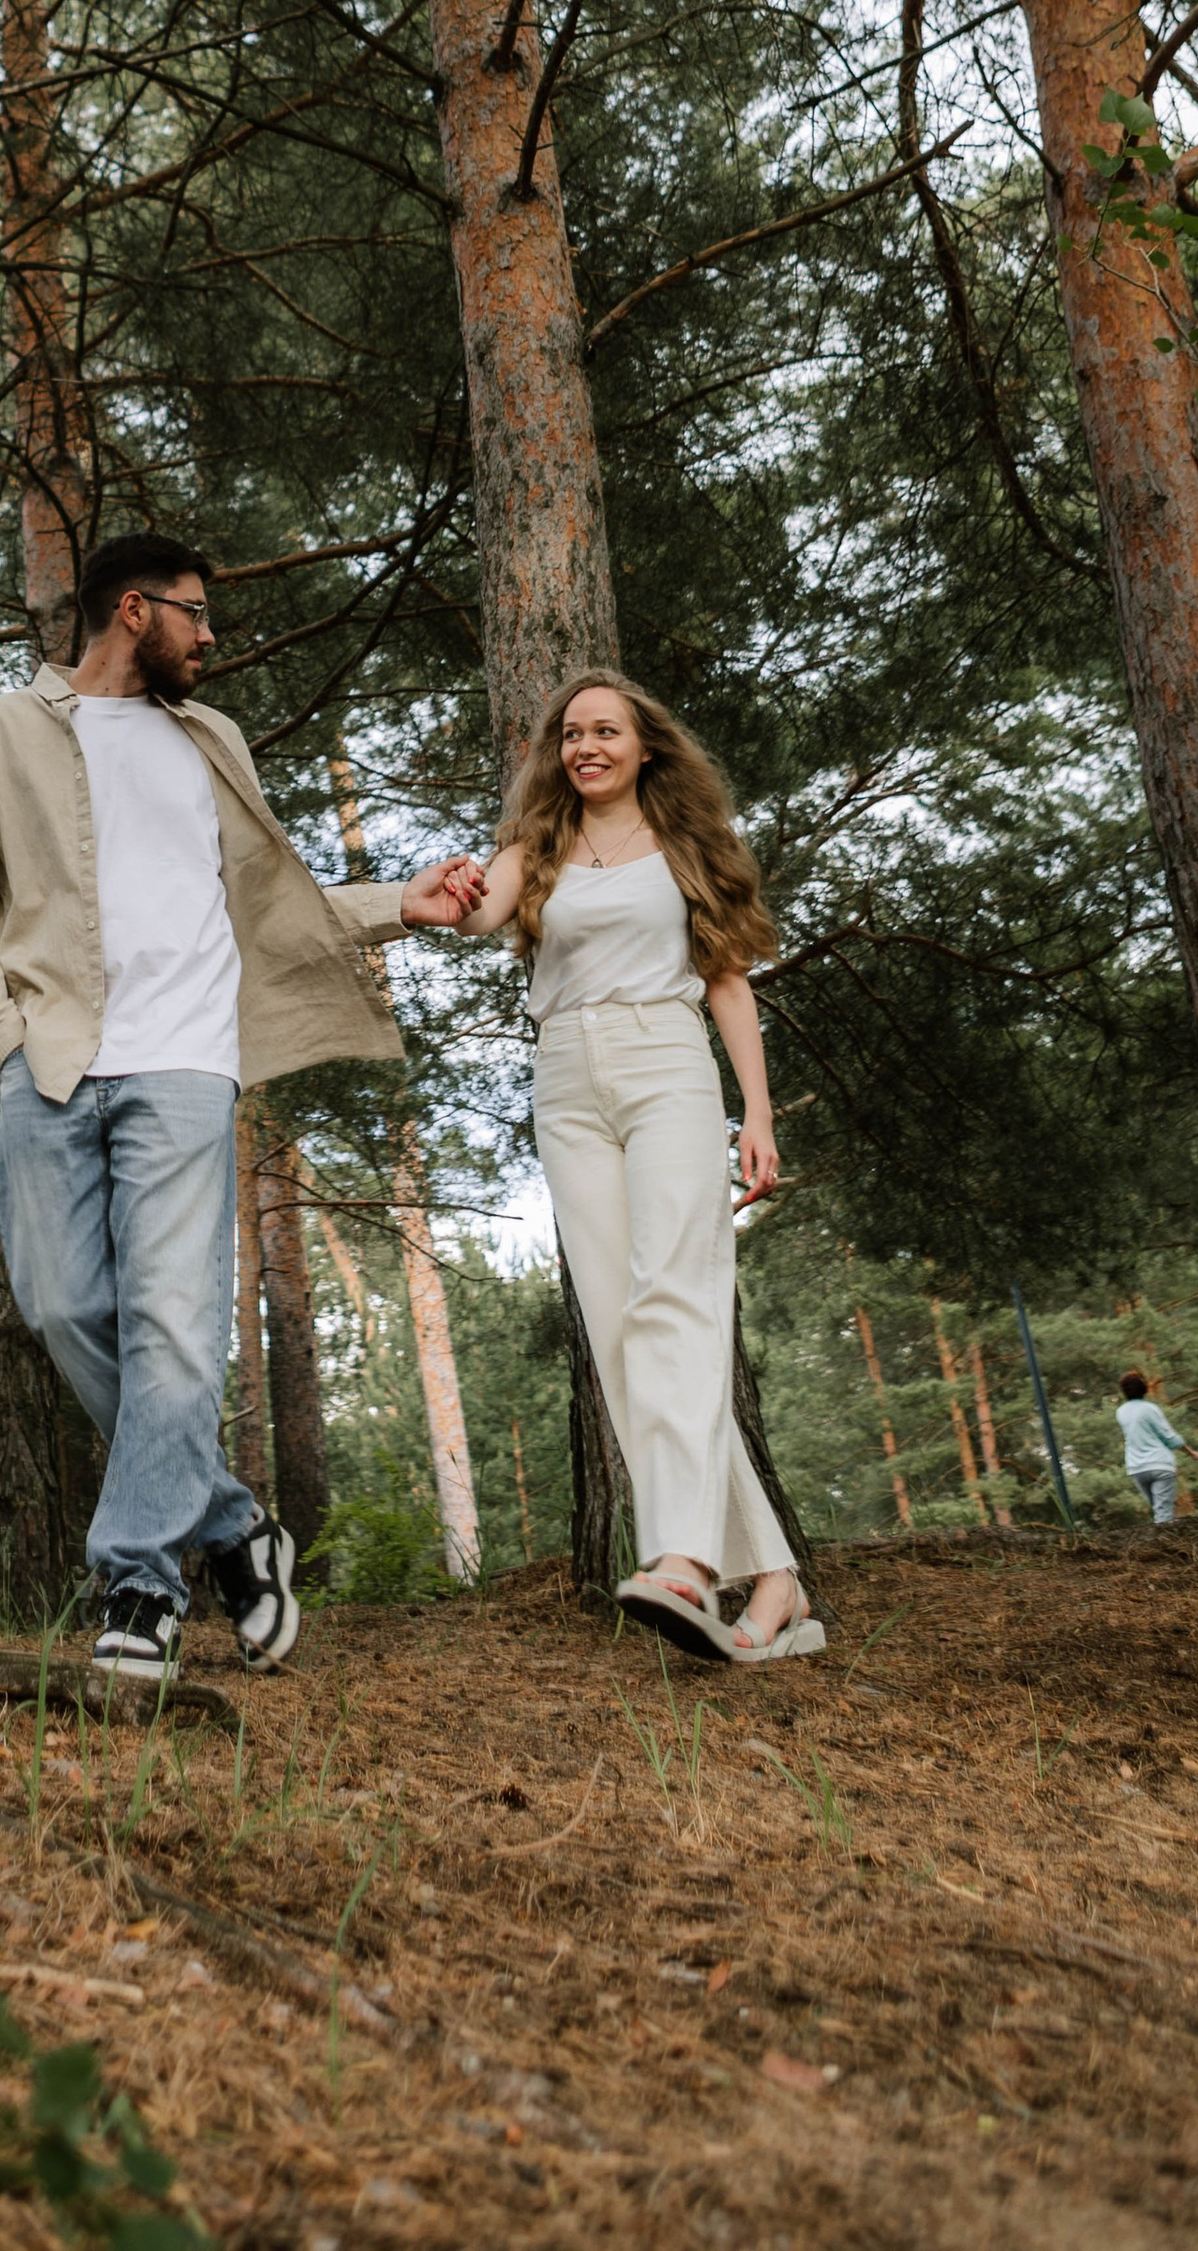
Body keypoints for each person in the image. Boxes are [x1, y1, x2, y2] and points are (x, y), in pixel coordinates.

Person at [0, 530, 478, 1681]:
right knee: (66, 1310)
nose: (210, 637)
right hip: (52, 1062)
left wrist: (396, 906)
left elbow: (274, 905)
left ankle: (137, 1583)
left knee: (174, 1327)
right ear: (133, 610)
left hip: (182, 1067)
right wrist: (6, 1043)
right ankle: (233, 1526)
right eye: (194, 613)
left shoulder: (210, 742)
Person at [449, 674, 818, 1667]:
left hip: (665, 1064)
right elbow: (473, 915)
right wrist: (443, 888)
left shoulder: (686, 846)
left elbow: (726, 978)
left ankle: (685, 1561)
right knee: (620, 1328)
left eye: (604, 731)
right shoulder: (537, 846)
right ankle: (774, 1579)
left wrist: (758, 1110)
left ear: (644, 744)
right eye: (570, 734)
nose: (584, 747)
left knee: (674, 1304)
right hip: (565, 1075)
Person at [1115, 1371, 1198, 1527]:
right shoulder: (1150, 1409)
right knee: (1163, 1514)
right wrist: (1191, 1453)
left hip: (1137, 1468)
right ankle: (1166, 1546)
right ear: (1144, 1388)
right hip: (1160, 1465)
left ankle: (1163, 1543)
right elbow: (1169, 1437)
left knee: (1159, 1511)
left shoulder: (1121, 1412)